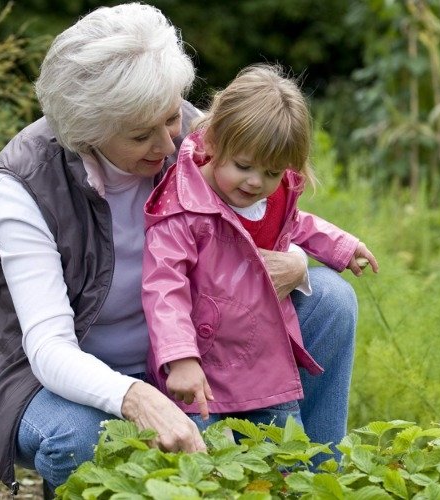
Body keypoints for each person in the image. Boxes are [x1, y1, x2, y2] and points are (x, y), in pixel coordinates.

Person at [0, 3, 361, 494]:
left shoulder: (199, 136)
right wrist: (135, 397)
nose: (169, 145)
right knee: (85, 437)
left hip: (187, 353)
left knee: (328, 298)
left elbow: (272, 211)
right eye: (139, 135)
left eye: (171, 117)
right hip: (55, 379)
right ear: (87, 132)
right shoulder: (26, 184)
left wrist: (297, 262)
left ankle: (313, 482)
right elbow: (49, 349)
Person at [142, 65, 378, 432]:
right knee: (202, 472)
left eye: (272, 173)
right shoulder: (182, 207)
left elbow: (297, 223)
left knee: (284, 464)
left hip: (264, 365)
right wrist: (180, 358)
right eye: (244, 166)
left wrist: (343, 246)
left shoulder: (272, 196)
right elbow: (163, 287)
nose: (256, 182)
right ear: (215, 141)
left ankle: (317, 481)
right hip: (200, 371)